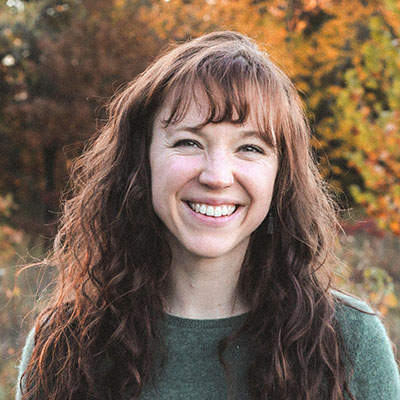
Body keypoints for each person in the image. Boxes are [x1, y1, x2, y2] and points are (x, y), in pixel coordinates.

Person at [16, 31, 400, 400]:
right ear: (142, 160)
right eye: (188, 142)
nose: (217, 176)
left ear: (280, 175)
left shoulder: (348, 343)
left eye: (250, 148)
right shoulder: (66, 349)